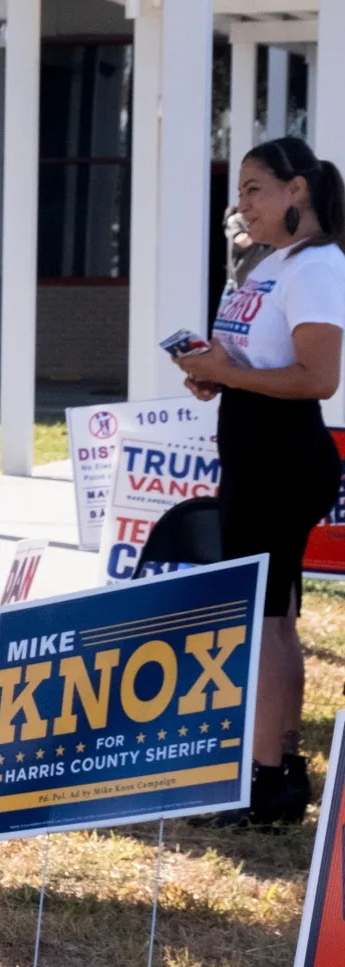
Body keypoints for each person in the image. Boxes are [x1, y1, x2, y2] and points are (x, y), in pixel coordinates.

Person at [177, 135, 345, 824]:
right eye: (239, 191)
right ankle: (279, 772)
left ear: (295, 190)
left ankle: (267, 779)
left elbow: (319, 378)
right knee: (274, 618)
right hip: (256, 455)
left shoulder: (317, 266)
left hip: (283, 459)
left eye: (254, 189)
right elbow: (255, 362)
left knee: (265, 617)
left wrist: (230, 375)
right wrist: (214, 375)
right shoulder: (269, 264)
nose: (242, 204)